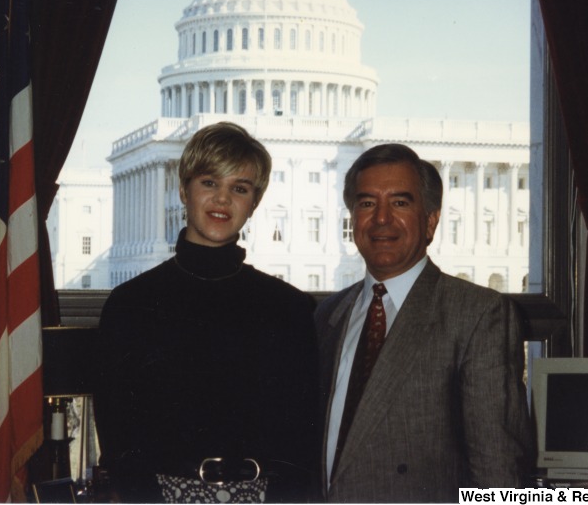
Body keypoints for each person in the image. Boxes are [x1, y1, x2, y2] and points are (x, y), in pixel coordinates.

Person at [93, 122, 320, 503]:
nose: (223, 200)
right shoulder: (132, 304)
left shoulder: (289, 307)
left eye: (240, 188)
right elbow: (118, 436)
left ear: (254, 202)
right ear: (183, 190)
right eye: (209, 182)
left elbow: (301, 436)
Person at [315, 143, 533, 502]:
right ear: (352, 218)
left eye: (400, 203)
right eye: (367, 203)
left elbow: (498, 471)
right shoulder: (329, 315)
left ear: (430, 220)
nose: (381, 218)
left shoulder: (477, 315)